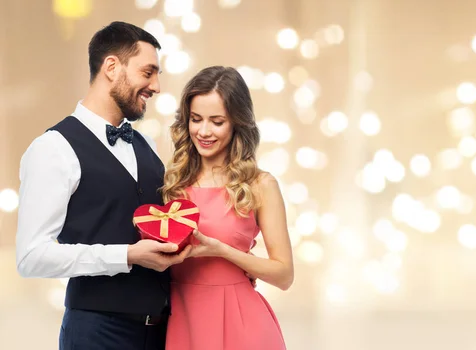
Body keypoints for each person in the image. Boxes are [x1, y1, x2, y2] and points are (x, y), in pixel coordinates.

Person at [15, 21, 191, 350]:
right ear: (112, 67)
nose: (156, 86)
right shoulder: (53, 148)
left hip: (162, 332)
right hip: (97, 333)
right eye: (148, 72)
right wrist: (126, 256)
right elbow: (31, 257)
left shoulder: (147, 144)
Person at [161, 66, 294, 350]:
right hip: (179, 319)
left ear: (237, 123)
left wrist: (222, 251)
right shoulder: (171, 181)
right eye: (196, 119)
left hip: (242, 325)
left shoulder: (260, 184)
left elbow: (284, 275)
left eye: (217, 121)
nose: (204, 131)